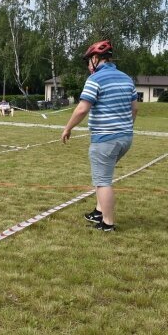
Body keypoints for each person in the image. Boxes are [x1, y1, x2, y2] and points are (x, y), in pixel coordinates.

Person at [61, 40, 138, 232]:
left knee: (102, 181)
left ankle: (108, 223)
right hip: (125, 138)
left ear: (96, 59)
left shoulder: (95, 79)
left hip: (105, 139)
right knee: (102, 174)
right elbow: (134, 109)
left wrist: (67, 128)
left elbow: (82, 109)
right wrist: (125, 127)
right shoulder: (127, 79)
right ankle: (98, 211)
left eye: (88, 61)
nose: (88, 66)